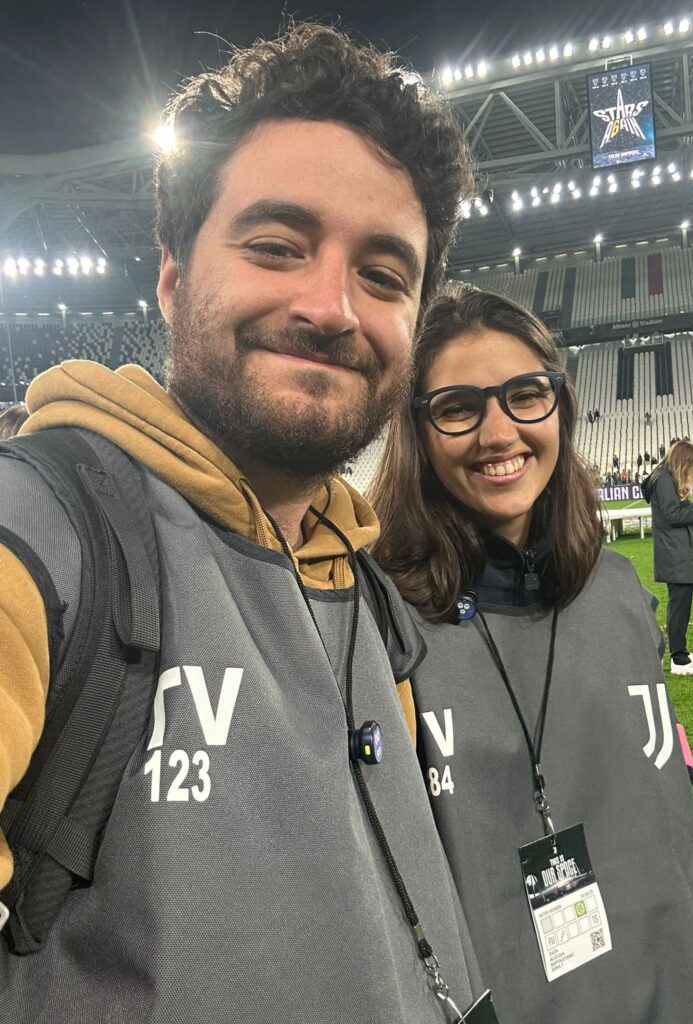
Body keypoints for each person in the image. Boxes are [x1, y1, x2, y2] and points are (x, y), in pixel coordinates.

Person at [0, 25, 487, 1022]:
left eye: (384, 275)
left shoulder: (365, 589)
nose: (332, 306)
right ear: (173, 277)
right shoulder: (42, 538)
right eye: (276, 246)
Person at [369, 286, 693, 1024]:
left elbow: (669, 831)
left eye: (525, 395)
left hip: (665, 985)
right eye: (457, 407)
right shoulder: (375, 622)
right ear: (417, 431)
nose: (498, 431)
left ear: (561, 407)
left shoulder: (619, 590)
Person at [641, 441, 693, 676]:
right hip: (675, 551)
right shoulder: (664, 480)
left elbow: (675, 512)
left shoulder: (665, 478)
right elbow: (673, 516)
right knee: (679, 606)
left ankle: (681, 651)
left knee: (682, 605)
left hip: (677, 550)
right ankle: (679, 660)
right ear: (684, 462)